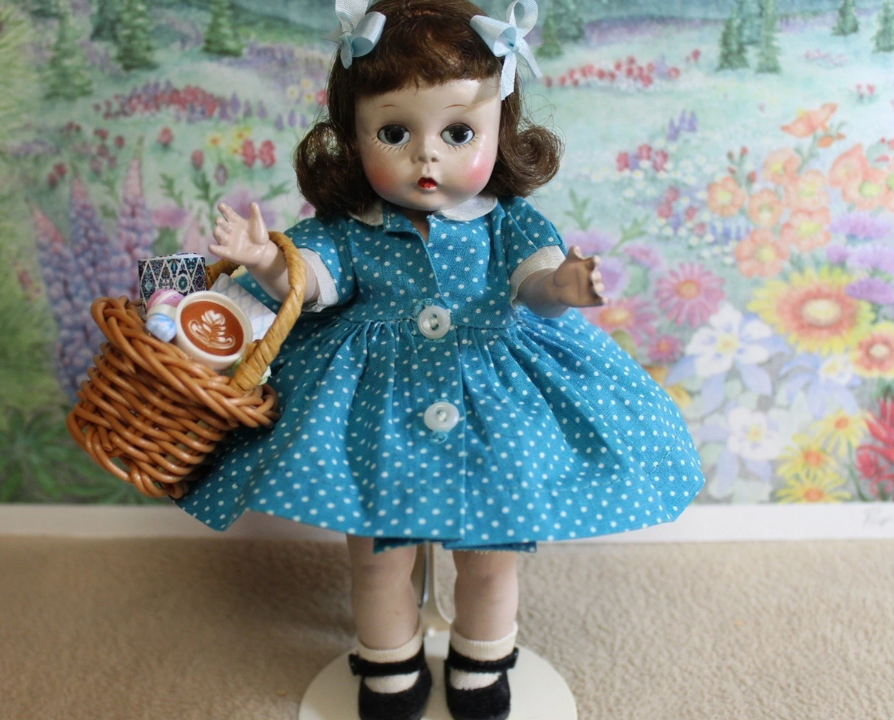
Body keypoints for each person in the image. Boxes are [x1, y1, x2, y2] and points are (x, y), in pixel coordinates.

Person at [178, 2, 706, 719]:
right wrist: (267, 259)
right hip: (376, 406)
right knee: (377, 556)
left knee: (491, 556)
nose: (426, 157)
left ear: (499, 130)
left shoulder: (509, 221)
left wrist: (562, 287)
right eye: (394, 133)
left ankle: (482, 660)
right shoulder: (347, 228)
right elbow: (312, 283)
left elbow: (533, 282)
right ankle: (388, 663)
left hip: (495, 399)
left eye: (458, 133)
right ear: (352, 135)